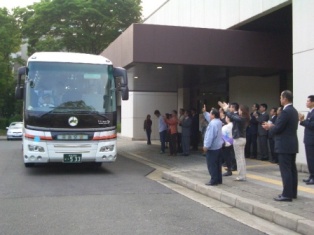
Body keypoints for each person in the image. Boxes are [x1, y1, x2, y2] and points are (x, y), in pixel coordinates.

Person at [262, 90, 298, 202]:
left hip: (284, 144)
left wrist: (270, 127)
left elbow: (278, 128)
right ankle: (292, 192)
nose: (280, 99)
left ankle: (287, 194)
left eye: (281, 97)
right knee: (292, 169)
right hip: (291, 143)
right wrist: (274, 126)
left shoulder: (285, 112)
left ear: (285, 98)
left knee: (285, 170)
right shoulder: (294, 111)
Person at [219, 101, 249, 181]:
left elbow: (232, 116)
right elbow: (233, 116)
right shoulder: (243, 118)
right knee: (241, 158)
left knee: (239, 158)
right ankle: (243, 175)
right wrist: (227, 109)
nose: (238, 111)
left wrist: (226, 109)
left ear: (242, 110)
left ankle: (241, 176)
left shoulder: (241, 118)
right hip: (242, 139)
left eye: (239, 109)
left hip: (238, 139)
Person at [203, 108, 223, 186]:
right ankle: (218, 179)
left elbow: (210, 136)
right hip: (219, 147)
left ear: (213, 115)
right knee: (218, 165)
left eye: (210, 114)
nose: (209, 115)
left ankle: (213, 180)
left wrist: (206, 146)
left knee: (211, 165)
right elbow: (208, 117)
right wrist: (205, 112)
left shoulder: (212, 124)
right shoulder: (219, 122)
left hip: (212, 147)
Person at [299, 95, 314, 185]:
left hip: (312, 139)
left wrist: (303, 121)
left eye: (308, 101)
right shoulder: (310, 112)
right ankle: (311, 175)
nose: (306, 103)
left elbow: (312, 125)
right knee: (309, 159)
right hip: (308, 139)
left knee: (312, 159)